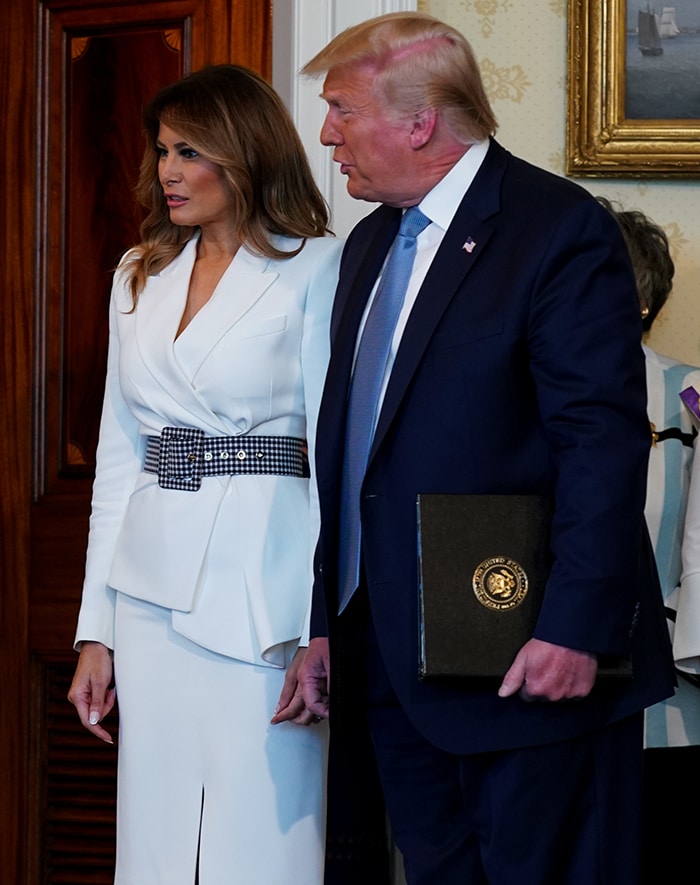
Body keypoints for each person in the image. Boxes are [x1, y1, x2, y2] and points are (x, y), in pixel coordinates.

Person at [296, 13, 675, 885]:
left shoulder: (557, 230)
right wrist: (329, 623)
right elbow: (362, 457)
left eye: (343, 109)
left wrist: (575, 627)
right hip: (395, 667)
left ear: (420, 120)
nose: (327, 134)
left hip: (529, 671)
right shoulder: (366, 247)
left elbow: (601, 444)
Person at [67, 64, 343, 884]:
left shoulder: (318, 267)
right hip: (148, 595)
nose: (168, 171)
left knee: (264, 841)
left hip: (265, 596)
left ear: (246, 153)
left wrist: (319, 624)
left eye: (191, 151)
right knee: (152, 843)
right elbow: (120, 457)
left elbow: (336, 454)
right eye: (162, 151)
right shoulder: (137, 273)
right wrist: (96, 630)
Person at [598, 198, 700, 882]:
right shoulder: (519, 388)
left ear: (639, 298)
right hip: (543, 689)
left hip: (673, 691)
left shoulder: (689, 393)